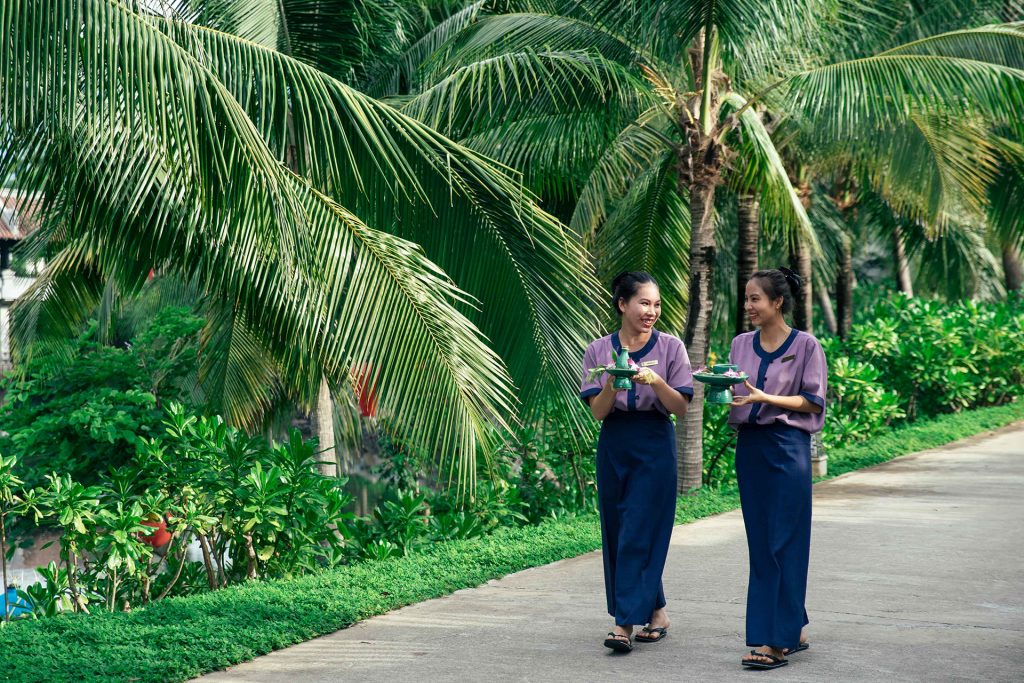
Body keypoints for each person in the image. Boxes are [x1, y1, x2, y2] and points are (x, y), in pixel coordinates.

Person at [579, 271, 693, 653]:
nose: (652, 311)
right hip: (615, 443)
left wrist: (655, 382)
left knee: (639, 529)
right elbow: (597, 413)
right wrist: (613, 381)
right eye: (644, 303)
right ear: (622, 304)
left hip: (655, 443)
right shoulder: (598, 350)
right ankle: (657, 612)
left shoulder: (672, 347)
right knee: (620, 528)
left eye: (656, 304)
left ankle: (623, 623)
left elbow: (681, 406)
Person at [728, 268, 827, 670]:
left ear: (777, 302)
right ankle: (793, 627)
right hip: (750, 448)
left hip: (788, 449)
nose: (749, 306)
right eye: (747, 299)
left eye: (756, 299)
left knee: (784, 542)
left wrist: (765, 397)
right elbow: (736, 390)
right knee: (761, 544)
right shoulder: (739, 344)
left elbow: (812, 401)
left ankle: (776, 641)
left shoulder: (806, 345)